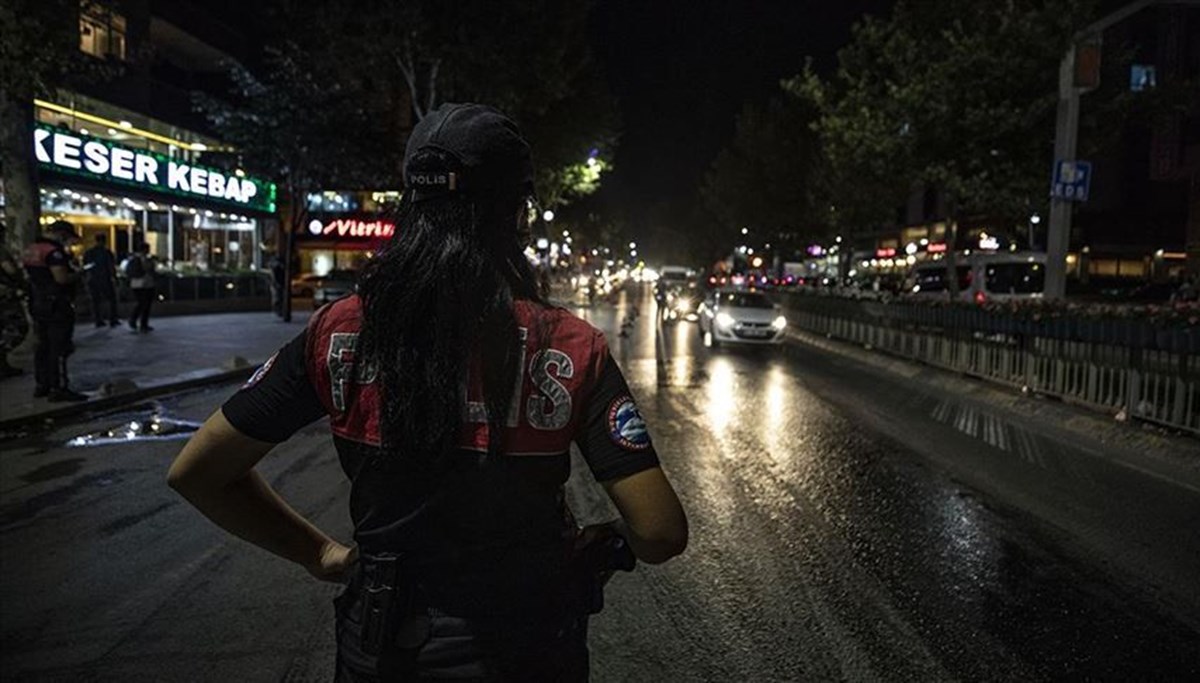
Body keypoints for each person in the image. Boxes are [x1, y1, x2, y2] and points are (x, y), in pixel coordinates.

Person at [168, 103, 688, 681]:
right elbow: (660, 531)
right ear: (517, 212)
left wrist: (321, 554)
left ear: (411, 204)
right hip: (528, 648)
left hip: (383, 647)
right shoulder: (568, 346)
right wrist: (604, 541)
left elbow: (198, 471)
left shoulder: (338, 331)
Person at [22, 219, 87, 401]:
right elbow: (61, 278)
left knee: (42, 345)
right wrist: (79, 274)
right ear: (62, 234)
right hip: (56, 304)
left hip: (37, 302)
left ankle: (42, 385)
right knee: (59, 346)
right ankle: (58, 388)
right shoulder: (54, 252)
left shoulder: (32, 249)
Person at [0, 222, 31, 379]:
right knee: (17, 327)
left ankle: (3, 365)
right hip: (5, 296)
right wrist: (21, 282)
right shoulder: (1, 250)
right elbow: (10, 269)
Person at [83, 233, 120, 327]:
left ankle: (98, 320)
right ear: (104, 241)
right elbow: (111, 266)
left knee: (96, 301)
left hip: (93, 279)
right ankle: (113, 319)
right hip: (105, 279)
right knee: (112, 299)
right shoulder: (107, 252)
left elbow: (85, 266)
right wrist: (114, 277)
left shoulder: (89, 253)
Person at [126, 241, 156, 332]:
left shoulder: (135, 259)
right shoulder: (140, 259)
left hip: (140, 284)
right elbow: (148, 270)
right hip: (142, 284)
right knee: (143, 304)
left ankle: (140, 322)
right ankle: (137, 321)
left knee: (143, 304)